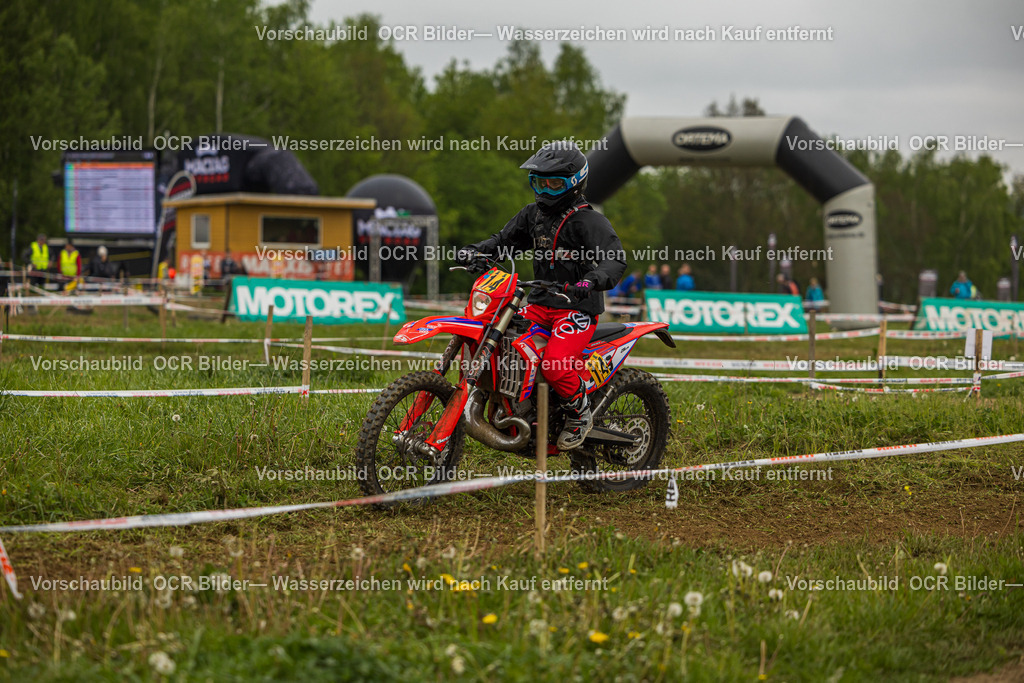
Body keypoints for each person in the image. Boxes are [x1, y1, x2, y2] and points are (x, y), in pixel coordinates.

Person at [457, 141, 626, 450]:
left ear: (574, 183)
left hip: (576, 308)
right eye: (539, 182)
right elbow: (503, 241)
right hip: (538, 303)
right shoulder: (532, 215)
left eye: (554, 184)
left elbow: (614, 259)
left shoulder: (590, 221)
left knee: (555, 365)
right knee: (501, 342)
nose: (545, 190)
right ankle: (517, 408)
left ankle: (580, 414)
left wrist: (590, 281)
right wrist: (476, 252)